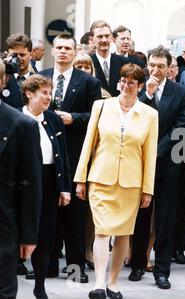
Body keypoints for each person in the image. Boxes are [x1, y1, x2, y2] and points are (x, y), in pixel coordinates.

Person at [74, 63, 158, 299]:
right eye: (123, 80)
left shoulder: (150, 115)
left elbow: (149, 155)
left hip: (131, 183)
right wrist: (80, 178)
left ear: (140, 86)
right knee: (101, 231)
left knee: (122, 234)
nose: (126, 86)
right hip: (101, 178)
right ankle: (98, 284)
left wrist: (147, 189)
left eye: (131, 82)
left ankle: (113, 283)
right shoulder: (101, 106)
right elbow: (88, 145)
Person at [39, 34, 102, 283]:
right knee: (48, 214)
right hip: (45, 155)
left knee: (74, 215)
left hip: (75, 155)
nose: (63, 52)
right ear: (52, 51)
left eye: (68, 48)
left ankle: (76, 267)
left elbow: (97, 116)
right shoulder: (42, 76)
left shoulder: (88, 81)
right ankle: (48, 265)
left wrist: (73, 118)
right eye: (59, 48)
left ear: (75, 52)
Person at [129, 46, 185, 290]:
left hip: (168, 165)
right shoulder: (138, 89)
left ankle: (162, 270)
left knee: (165, 219)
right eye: (152, 65)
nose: (155, 70)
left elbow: (181, 128)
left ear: (170, 67)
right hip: (139, 163)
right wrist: (147, 95)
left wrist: (156, 151)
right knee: (140, 216)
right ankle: (137, 264)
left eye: (160, 66)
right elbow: (133, 116)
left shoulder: (182, 93)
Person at [21, 75, 72, 299]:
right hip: (21, 183)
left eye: (50, 92)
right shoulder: (14, 117)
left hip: (49, 180)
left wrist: (64, 187)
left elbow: (63, 156)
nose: (48, 97)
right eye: (43, 92)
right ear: (29, 93)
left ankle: (39, 286)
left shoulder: (53, 119)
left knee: (45, 235)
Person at [0, 60, 42, 299]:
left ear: (2, 82)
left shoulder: (22, 125)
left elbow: (31, 184)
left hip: (4, 225)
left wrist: (28, 235)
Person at [90, 20, 129, 96]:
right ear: (92, 39)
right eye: (100, 37)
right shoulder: (88, 63)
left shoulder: (124, 61)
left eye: (107, 36)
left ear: (111, 37)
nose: (104, 40)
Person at [2, 33, 34, 110]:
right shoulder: (2, 80)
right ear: (7, 55)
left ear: (31, 55)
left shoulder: (37, 79)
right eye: (14, 55)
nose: (19, 59)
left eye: (22, 55)